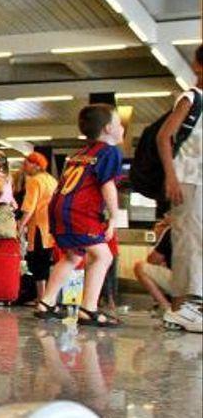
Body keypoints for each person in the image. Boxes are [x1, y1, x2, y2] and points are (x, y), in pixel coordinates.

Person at [35, 104, 125, 327]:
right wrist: (114, 216)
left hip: (58, 208)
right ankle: (88, 308)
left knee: (73, 256)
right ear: (107, 129)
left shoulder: (80, 154)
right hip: (80, 212)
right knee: (103, 257)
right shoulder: (110, 151)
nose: (123, 128)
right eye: (119, 123)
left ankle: (46, 303)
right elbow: (107, 185)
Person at [159, 45, 202, 332]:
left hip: (199, 181)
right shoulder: (191, 97)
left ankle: (186, 308)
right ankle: (183, 308)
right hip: (187, 181)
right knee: (189, 241)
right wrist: (171, 177)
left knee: (196, 241)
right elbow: (164, 137)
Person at [19, 151, 58, 302]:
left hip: (39, 228)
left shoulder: (34, 181)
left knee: (37, 263)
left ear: (36, 165)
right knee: (46, 262)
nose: (24, 167)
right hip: (51, 227)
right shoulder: (52, 180)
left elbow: (30, 206)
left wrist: (21, 225)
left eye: (26, 163)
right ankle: (47, 297)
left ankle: (41, 297)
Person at [133, 217, 174, 315]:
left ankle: (167, 308)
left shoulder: (173, 230)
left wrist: (161, 236)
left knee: (140, 267)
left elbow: (152, 260)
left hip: (184, 284)